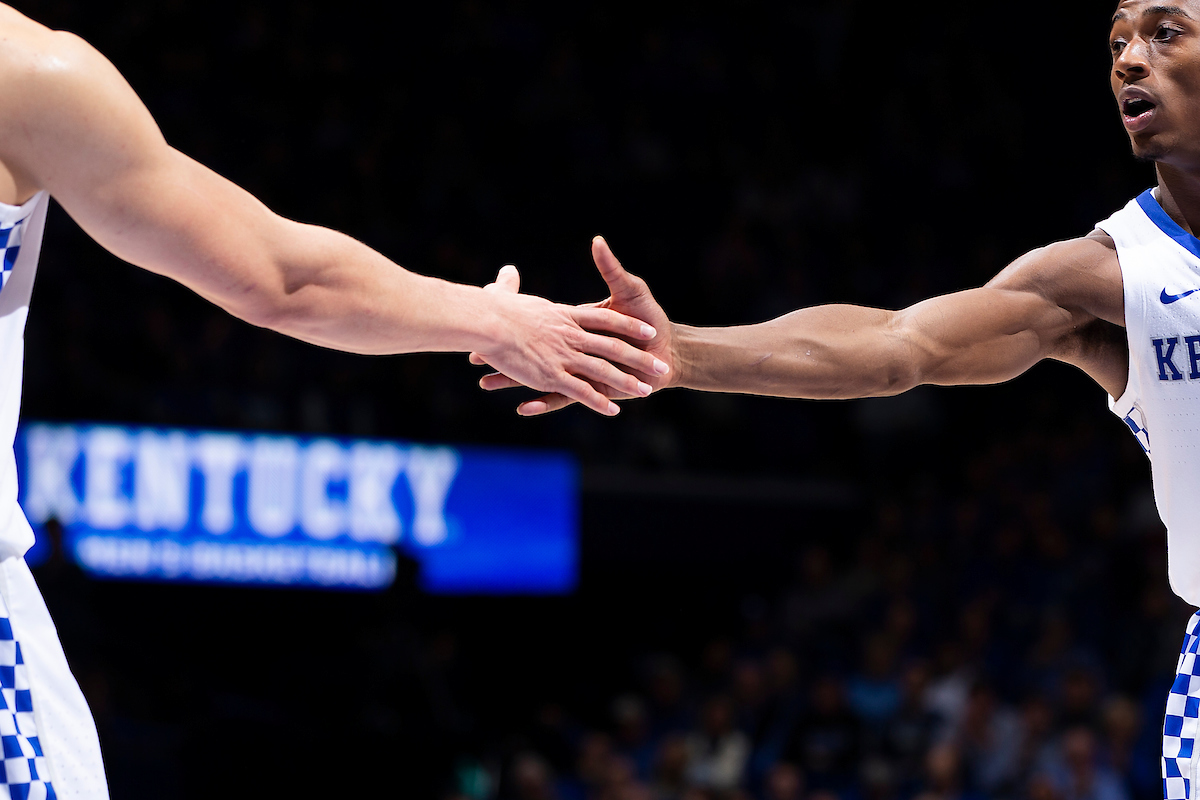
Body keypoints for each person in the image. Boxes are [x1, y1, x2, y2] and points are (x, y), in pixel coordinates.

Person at [472, 2, 1200, 798]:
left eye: (1165, 32)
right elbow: (897, 345)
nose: (1128, 59)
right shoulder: (1104, 276)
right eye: (1117, 41)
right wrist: (681, 353)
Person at [0, 4, 677, 798]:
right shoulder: (31, 74)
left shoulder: (31, 77)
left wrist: (496, 320)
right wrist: (495, 320)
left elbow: (282, 276)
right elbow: (279, 279)